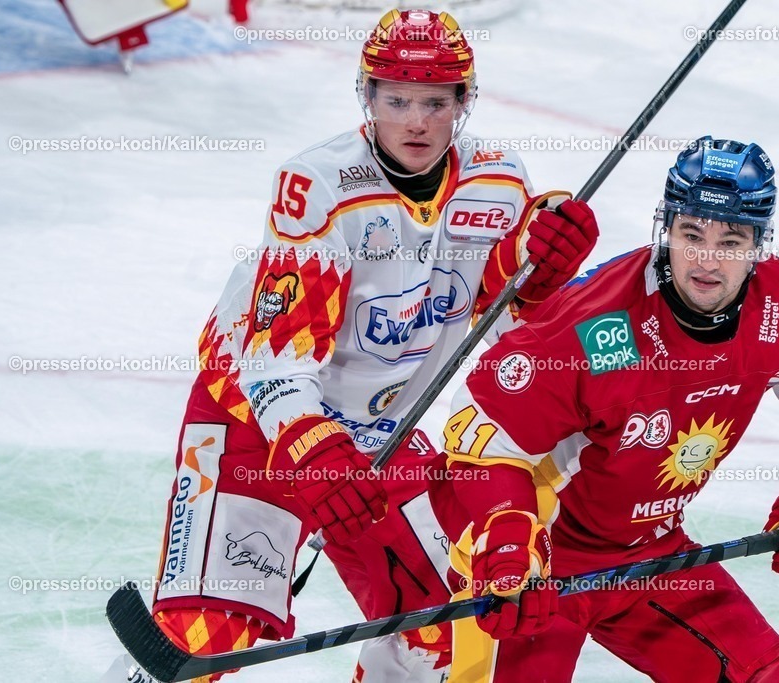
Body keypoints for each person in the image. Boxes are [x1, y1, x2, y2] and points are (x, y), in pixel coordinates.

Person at [146, 9, 598, 682]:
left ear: (463, 102)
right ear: (367, 96)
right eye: (396, 98)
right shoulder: (319, 186)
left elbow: (509, 346)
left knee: (437, 624)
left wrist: (534, 280)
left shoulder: (499, 183)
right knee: (201, 640)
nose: (415, 120)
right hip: (254, 421)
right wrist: (311, 447)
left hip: (379, 435)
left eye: (434, 101)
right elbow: (276, 358)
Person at [428, 136, 779, 682]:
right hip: (542, 560)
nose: (707, 259)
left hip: (651, 552)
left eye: (731, 239)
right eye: (691, 233)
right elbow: (482, 436)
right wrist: (506, 535)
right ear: (665, 229)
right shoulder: (592, 328)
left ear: (759, 244)